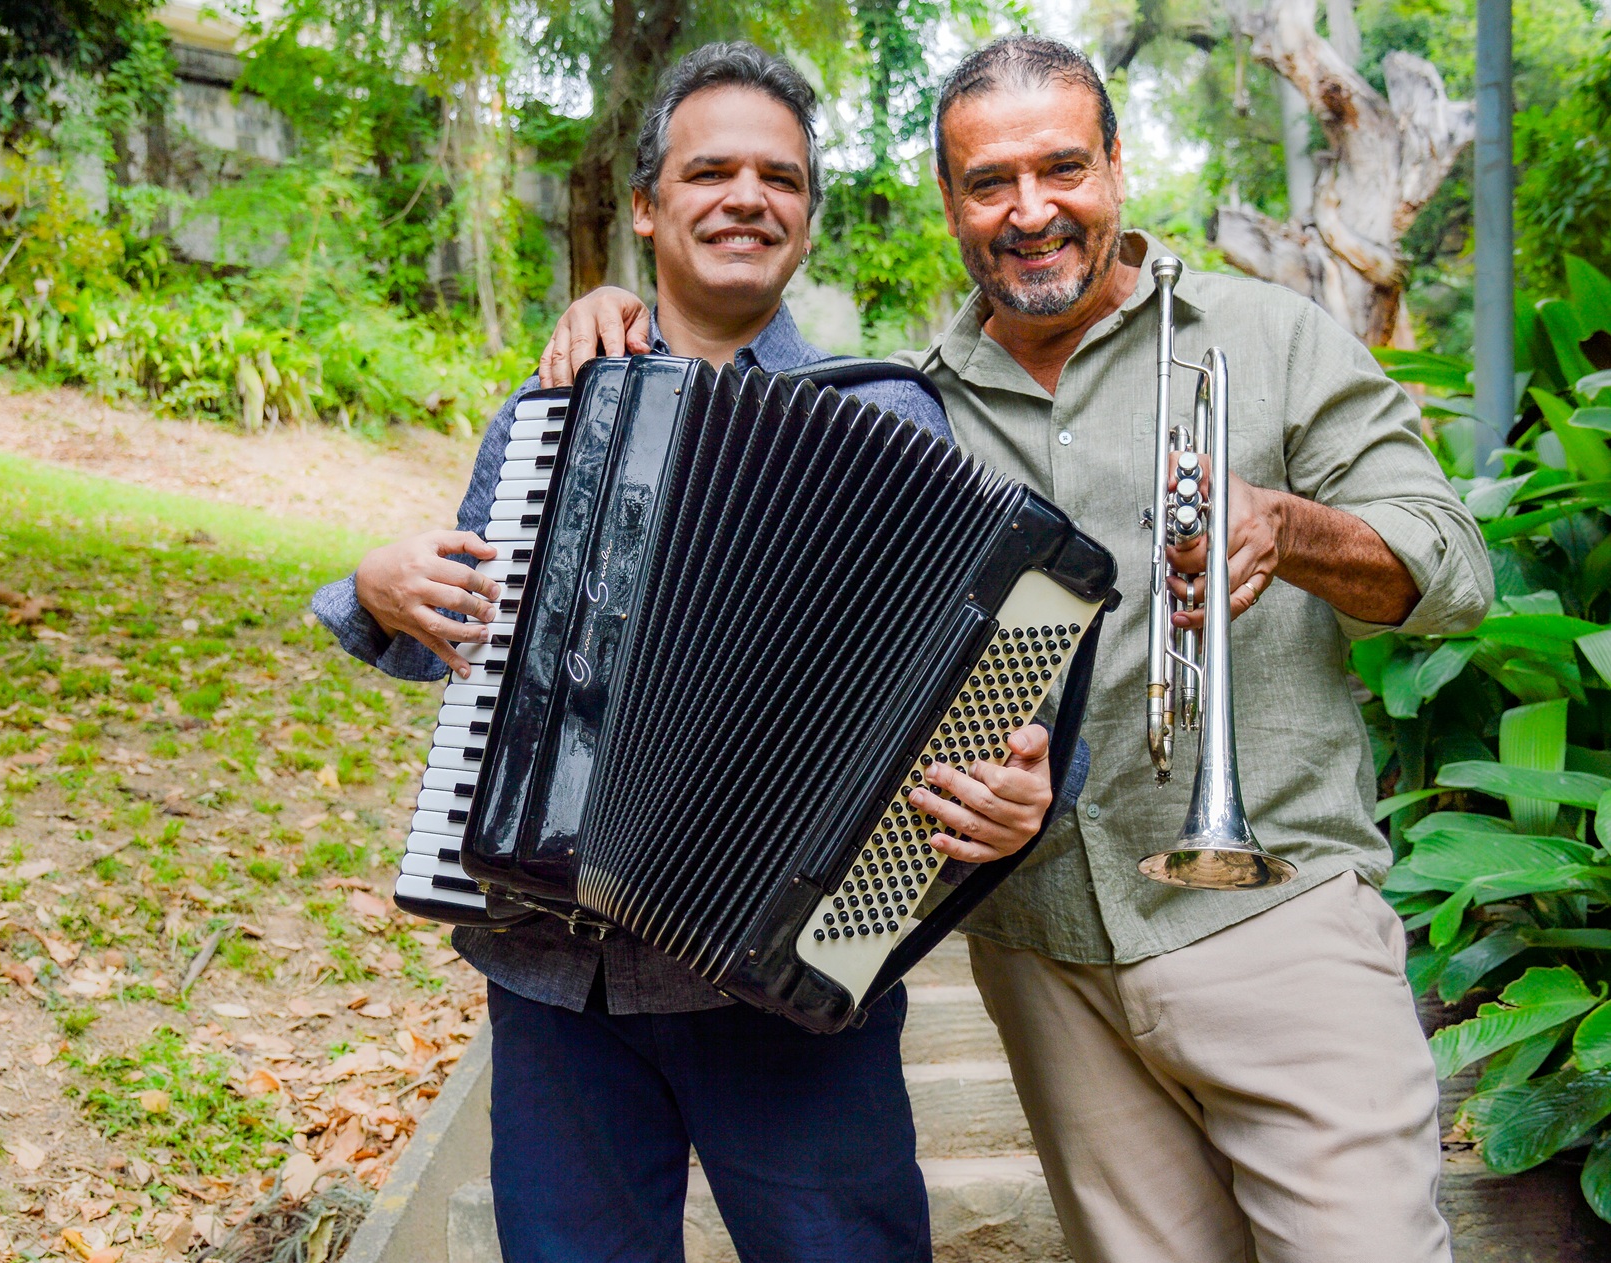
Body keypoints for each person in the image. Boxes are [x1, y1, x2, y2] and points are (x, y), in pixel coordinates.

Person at [535, 33, 1493, 1263]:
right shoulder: (903, 408)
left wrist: (1289, 527)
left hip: (1278, 926)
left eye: (1062, 169)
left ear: (1115, 169)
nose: (1030, 211)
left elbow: (1452, 574)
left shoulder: (1269, 337)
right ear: (950, 204)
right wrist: (617, 313)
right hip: (1044, 966)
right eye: (990, 182)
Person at [313, 42, 1083, 1263]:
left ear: (807, 218)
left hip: (785, 982)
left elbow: (981, 681)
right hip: (553, 979)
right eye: (710, 171)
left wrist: (1029, 785)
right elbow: (465, 632)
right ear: (645, 206)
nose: (746, 199)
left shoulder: (885, 416)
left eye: (780, 178)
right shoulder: (549, 410)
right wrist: (376, 590)